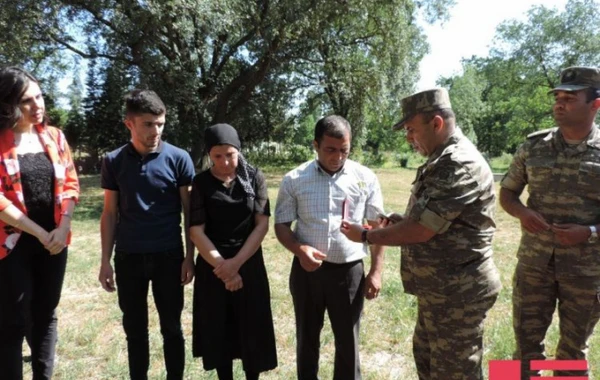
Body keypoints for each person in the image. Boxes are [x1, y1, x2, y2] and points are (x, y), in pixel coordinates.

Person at [341, 88, 501, 380]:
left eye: (412, 130)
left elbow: (422, 229)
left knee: (455, 372)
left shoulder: (457, 163)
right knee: (430, 365)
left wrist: (366, 236)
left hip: (459, 292)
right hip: (442, 290)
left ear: (436, 123)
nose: (408, 138)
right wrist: (402, 220)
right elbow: (435, 219)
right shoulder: (441, 159)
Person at [499, 66, 600, 378]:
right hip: (534, 266)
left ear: (595, 104)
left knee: (571, 354)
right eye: (557, 97)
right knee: (524, 351)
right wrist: (522, 213)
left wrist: (590, 232)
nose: (559, 103)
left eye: (570, 98)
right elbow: (507, 193)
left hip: (585, 272)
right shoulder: (534, 145)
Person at [274, 115, 385, 380]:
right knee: (307, 337)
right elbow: (281, 226)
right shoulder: (294, 179)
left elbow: (378, 228)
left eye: (344, 150)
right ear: (315, 144)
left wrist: (376, 271)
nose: (337, 157)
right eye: (330, 150)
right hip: (307, 272)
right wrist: (300, 250)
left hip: (349, 273)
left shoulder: (365, 178)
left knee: (348, 341)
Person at [98, 89, 195, 380]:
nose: (156, 131)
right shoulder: (114, 161)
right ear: (130, 123)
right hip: (128, 257)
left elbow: (190, 212)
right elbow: (110, 213)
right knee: (135, 330)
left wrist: (190, 257)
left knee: (172, 328)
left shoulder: (179, 158)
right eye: (148, 124)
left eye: (161, 124)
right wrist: (106, 260)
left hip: (169, 255)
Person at [0, 66, 79, 380]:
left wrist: (62, 228)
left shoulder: (55, 137)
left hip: (54, 242)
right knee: (12, 322)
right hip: (11, 244)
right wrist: (40, 232)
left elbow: (71, 183)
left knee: (46, 315)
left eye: (39, 96)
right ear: (8, 105)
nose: (38, 106)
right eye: (27, 101)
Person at [189, 123, 277, 380]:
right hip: (213, 265)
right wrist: (224, 269)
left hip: (248, 262)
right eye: (218, 156)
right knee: (219, 329)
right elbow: (196, 230)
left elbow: (261, 224)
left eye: (230, 154)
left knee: (251, 329)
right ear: (209, 155)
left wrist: (236, 264)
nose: (225, 162)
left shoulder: (254, 177)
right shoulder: (202, 182)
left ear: (238, 150)